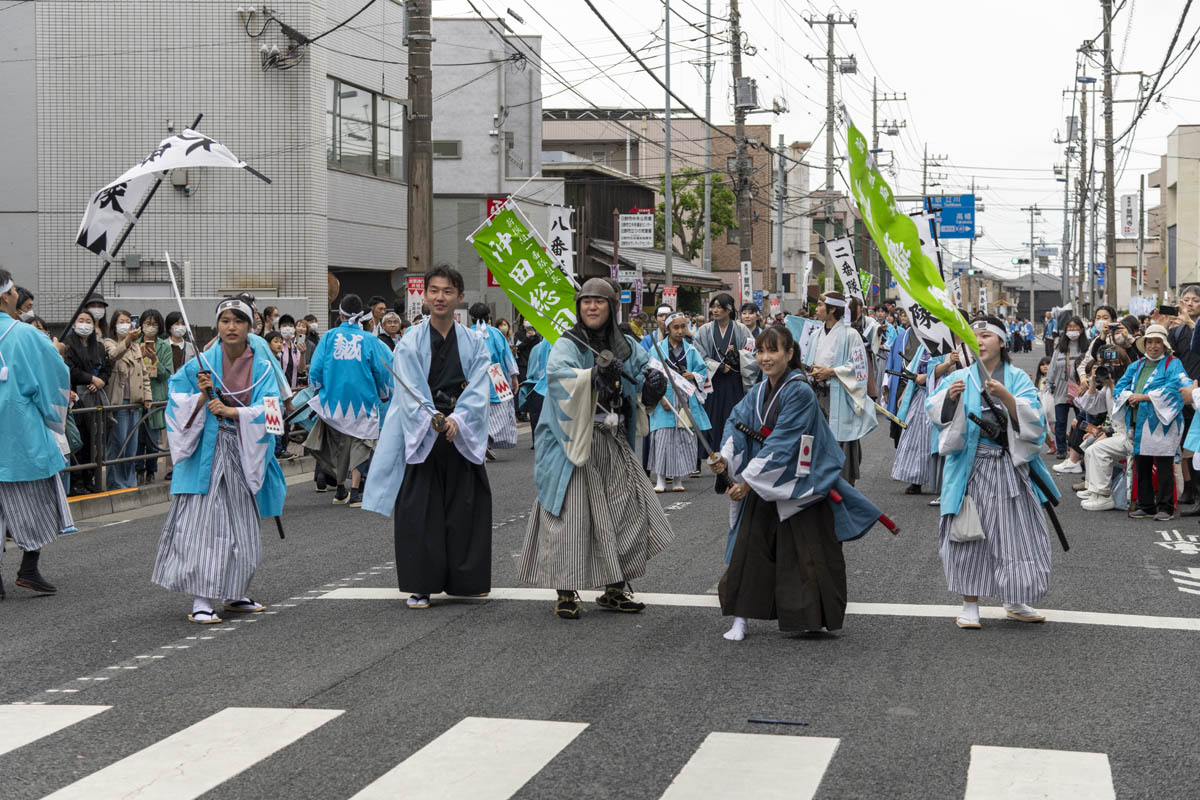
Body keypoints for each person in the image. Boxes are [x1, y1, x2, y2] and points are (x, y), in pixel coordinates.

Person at [711, 325, 886, 641]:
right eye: (761, 351)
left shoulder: (800, 391)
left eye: (773, 350)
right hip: (766, 478)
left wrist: (748, 483)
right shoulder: (757, 393)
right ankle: (741, 619)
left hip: (801, 481)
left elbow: (784, 442)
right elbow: (735, 425)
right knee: (749, 550)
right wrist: (725, 459)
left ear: (789, 354)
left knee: (809, 553)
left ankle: (813, 616)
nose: (765, 358)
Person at [518, 278, 672, 620]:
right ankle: (566, 592)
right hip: (572, 442)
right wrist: (591, 375)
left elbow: (642, 369)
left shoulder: (625, 343)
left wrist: (653, 383)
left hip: (611, 439)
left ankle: (615, 587)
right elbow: (558, 376)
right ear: (578, 306)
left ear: (611, 306)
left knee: (626, 511)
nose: (591, 306)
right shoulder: (568, 342)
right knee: (570, 517)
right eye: (586, 301)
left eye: (599, 302)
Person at [363, 265, 493, 609]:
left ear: (460, 298)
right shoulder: (409, 341)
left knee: (465, 507)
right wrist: (433, 417)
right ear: (425, 295)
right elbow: (408, 390)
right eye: (434, 290)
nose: (440, 297)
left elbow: (481, 387)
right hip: (422, 431)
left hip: (458, 432)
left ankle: (466, 580)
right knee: (420, 510)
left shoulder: (474, 342)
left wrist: (458, 419)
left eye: (448, 291)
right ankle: (421, 584)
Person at [152, 295, 286, 624]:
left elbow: (273, 413)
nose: (231, 327)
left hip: (244, 450)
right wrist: (200, 396)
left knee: (242, 526)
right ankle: (201, 598)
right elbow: (175, 398)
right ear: (217, 325)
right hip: (206, 456)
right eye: (225, 321)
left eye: (238, 320)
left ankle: (235, 591)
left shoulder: (264, 364)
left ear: (250, 325)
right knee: (204, 525)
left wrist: (232, 411)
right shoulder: (202, 363)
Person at [926, 316, 1057, 629]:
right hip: (971, 468)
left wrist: (1007, 398)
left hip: (1011, 468)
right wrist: (950, 399)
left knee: (1016, 535)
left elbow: (1035, 421)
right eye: (974, 336)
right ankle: (969, 603)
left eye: (986, 335)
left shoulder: (1017, 378)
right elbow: (936, 413)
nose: (980, 341)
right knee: (968, 533)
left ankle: (1014, 598)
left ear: (1002, 342)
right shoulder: (959, 377)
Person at [0, 272, 73, 598]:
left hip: (15, 432)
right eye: (14, 289)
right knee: (40, 500)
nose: (16, 293)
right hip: (19, 433)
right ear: (5, 296)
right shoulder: (25, 335)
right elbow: (53, 375)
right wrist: (53, 350)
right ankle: (28, 567)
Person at [302, 294, 393, 506]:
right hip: (363, 401)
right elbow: (384, 370)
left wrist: (317, 389)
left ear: (340, 313)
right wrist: (383, 393)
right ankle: (356, 492)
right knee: (360, 443)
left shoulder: (330, 337)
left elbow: (315, 371)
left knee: (339, 445)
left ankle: (340, 488)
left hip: (333, 401)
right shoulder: (370, 340)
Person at [1113, 324, 1190, 521]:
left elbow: (1177, 387)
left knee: (1164, 465)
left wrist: (1145, 397)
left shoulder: (1173, 364)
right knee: (1142, 464)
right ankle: (1146, 505)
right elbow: (1119, 387)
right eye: (1150, 342)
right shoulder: (1136, 365)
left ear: (1165, 345)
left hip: (1163, 423)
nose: (1153, 346)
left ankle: (1165, 507)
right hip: (1138, 422)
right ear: (1144, 344)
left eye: (1158, 342)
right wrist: (1130, 395)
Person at [803, 291, 877, 484]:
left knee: (841, 440)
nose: (817, 309)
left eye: (820, 305)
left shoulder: (852, 335)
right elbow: (807, 362)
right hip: (817, 394)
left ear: (832, 309)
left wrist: (832, 371)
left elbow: (859, 369)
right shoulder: (815, 335)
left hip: (840, 395)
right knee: (815, 438)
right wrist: (812, 371)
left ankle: (843, 485)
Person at [647, 312, 711, 493]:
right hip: (663, 398)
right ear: (667, 329)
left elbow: (702, 370)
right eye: (676, 327)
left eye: (684, 326)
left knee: (682, 438)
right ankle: (660, 478)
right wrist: (660, 397)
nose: (681, 331)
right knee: (661, 437)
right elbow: (650, 374)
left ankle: (678, 479)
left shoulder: (691, 350)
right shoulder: (657, 349)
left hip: (685, 398)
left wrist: (693, 375)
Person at [695, 293, 759, 465]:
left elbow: (751, 354)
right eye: (713, 307)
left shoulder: (742, 330)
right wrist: (717, 366)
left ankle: (733, 455)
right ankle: (713, 455)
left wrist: (737, 355)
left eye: (719, 307)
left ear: (729, 310)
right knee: (712, 418)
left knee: (733, 417)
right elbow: (699, 355)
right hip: (713, 382)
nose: (715, 310)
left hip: (734, 381)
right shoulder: (704, 330)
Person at [62, 308, 111, 495]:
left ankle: (90, 478)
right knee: (79, 439)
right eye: (81, 320)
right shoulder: (68, 345)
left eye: (88, 321)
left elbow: (107, 368)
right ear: (74, 324)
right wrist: (90, 379)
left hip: (95, 397)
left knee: (94, 440)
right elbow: (70, 370)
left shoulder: (98, 346)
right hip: (76, 397)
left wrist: (101, 382)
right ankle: (77, 481)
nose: (85, 324)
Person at [101, 310, 152, 490]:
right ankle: (116, 482)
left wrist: (147, 396)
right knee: (118, 443)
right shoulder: (108, 342)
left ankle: (130, 481)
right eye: (121, 321)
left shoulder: (136, 347)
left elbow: (144, 373)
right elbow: (114, 355)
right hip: (119, 401)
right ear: (114, 325)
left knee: (132, 446)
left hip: (135, 402)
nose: (125, 324)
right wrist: (128, 340)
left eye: (128, 321)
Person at [469, 303, 520, 457]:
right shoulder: (496, 333)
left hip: (473, 376)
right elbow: (507, 357)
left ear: (471, 318)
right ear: (489, 317)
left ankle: (480, 439)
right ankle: (486, 438)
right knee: (503, 412)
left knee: (475, 412)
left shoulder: (465, 333)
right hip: (496, 373)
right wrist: (514, 377)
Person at [1046, 315, 1089, 457]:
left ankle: (1079, 449)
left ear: (1081, 330)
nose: (1072, 330)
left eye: (1075, 327)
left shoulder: (1086, 348)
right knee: (1060, 421)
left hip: (1080, 389)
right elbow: (1052, 367)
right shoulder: (1060, 348)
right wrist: (1049, 384)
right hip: (1061, 388)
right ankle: (1062, 449)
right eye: (1069, 327)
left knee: (1081, 420)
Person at [137, 309, 171, 485]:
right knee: (137, 436)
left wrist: (155, 359)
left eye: (154, 324)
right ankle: (137, 470)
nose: (150, 327)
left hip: (156, 394)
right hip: (136, 394)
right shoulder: (134, 343)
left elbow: (166, 373)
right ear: (141, 324)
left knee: (152, 436)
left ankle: (151, 470)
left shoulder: (164, 346)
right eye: (147, 323)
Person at [517, 335, 551, 446]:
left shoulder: (536, 348)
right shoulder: (564, 343)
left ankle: (537, 440)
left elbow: (530, 370)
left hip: (536, 385)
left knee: (536, 417)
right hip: (553, 386)